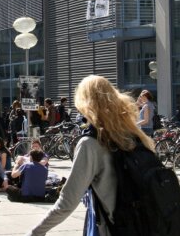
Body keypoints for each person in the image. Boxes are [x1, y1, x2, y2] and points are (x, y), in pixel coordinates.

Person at [28, 75, 155, 235]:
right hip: (143, 226)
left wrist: (36, 232)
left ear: (84, 104)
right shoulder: (133, 136)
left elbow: (67, 202)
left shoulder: (91, 143)